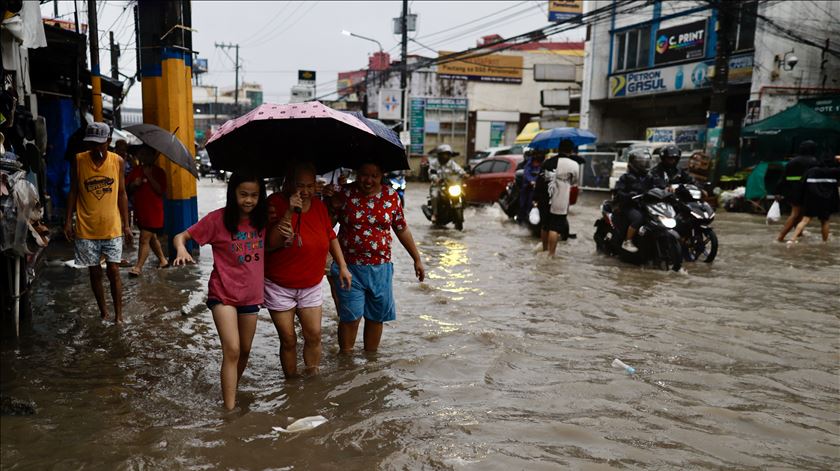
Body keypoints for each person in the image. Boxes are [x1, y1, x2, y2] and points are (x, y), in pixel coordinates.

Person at [171, 173, 267, 410]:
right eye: (243, 194)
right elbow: (181, 236)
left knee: (244, 350)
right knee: (232, 348)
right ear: (233, 193)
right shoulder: (217, 220)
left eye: (254, 195)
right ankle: (229, 410)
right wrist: (182, 249)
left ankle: (230, 387)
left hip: (250, 296)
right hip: (222, 293)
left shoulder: (264, 220)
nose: (248, 200)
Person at [264, 163, 352, 378]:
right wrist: (288, 212)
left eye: (310, 186)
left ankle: (311, 381)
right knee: (288, 340)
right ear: (288, 184)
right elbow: (269, 243)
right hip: (279, 285)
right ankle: (292, 385)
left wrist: (342, 266)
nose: (305, 191)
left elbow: (331, 236)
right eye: (300, 185)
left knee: (314, 336)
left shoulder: (320, 207)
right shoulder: (275, 203)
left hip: (311, 283)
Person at [330, 162, 425, 354]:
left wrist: (417, 259)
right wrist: (330, 203)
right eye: (364, 175)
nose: (368, 180)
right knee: (350, 317)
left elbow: (401, 229)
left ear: (382, 175)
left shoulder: (391, 196)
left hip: (380, 269)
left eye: (374, 175)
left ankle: (370, 363)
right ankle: (346, 362)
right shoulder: (344, 193)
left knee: (376, 318)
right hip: (349, 268)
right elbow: (327, 227)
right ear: (357, 174)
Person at [63, 122, 133, 324]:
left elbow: (122, 194)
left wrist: (126, 225)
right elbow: (74, 191)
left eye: (99, 144)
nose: (95, 148)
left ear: (108, 142)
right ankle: (104, 312)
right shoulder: (78, 160)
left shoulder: (117, 161)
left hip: (112, 226)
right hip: (86, 227)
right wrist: (68, 221)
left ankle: (119, 316)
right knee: (94, 272)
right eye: (91, 143)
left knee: (113, 270)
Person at [126, 145, 168, 276]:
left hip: (153, 212)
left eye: (146, 154)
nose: (143, 157)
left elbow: (160, 191)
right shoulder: (136, 170)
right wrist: (134, 184)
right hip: (141, 211)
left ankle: (138, 267)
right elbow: (127, 189)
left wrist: (150, 177)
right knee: (152, 238)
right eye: (141, 154)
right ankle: (163, 260)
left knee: (144, 238)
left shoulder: (159, 172)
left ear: (152, 156)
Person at [788, 154, 840, 243]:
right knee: (825, 221)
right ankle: (825, 243)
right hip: (826, 200)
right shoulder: (835, 171)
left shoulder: (812, 171)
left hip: (811, 199)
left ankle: (792, 239)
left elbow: (802, 185)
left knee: (805, 220)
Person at [613, 149, 656, 253]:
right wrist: (629, 195)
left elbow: (658, 187)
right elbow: (618, 192)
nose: (645, 165)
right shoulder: (625, 177)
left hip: (645, 205)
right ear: (634, 164)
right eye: (642, 163)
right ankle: (628, 241)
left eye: (646, 162)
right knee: (638, 218)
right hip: (629, 206)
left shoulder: (650, 177)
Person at [776, 141, 820, 242]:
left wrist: (778, 192)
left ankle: (798, 234)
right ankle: (780, 237)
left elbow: (783, 178)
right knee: (796, 214)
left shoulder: (792, 161)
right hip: (807, 191)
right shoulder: (814, 161)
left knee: (797, 213)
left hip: (792, 191)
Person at [546, 144, 581, 256]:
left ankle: (545, 250)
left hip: (548, 194)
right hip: (562, 195)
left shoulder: (550, 161)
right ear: (570, 151)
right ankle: (551, 254)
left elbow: (545, 176)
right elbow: (575, 181)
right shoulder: (574, 164)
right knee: (555, 227)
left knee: (547, 225)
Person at [428, 144, 466, 223]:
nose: (446, 156)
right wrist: (436, 179)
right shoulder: (434, 163)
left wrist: (464, 174)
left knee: (463, 193)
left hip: (450, 185)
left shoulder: (451, 163)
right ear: (440, 155)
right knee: (434, 195)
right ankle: (435, 214)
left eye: (448, 154)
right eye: (444, 154)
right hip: (437, 185)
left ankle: (461, 210)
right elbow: (431, 173)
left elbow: (458, 170)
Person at [518, 148, 544, 225]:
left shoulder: (542, 164)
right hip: (527, 188)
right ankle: (522, 221)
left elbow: (543, 174)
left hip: (538, 189)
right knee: (524, 205)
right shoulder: (528, 164)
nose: (537, 163)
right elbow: (527, 174)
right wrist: (531, 181)